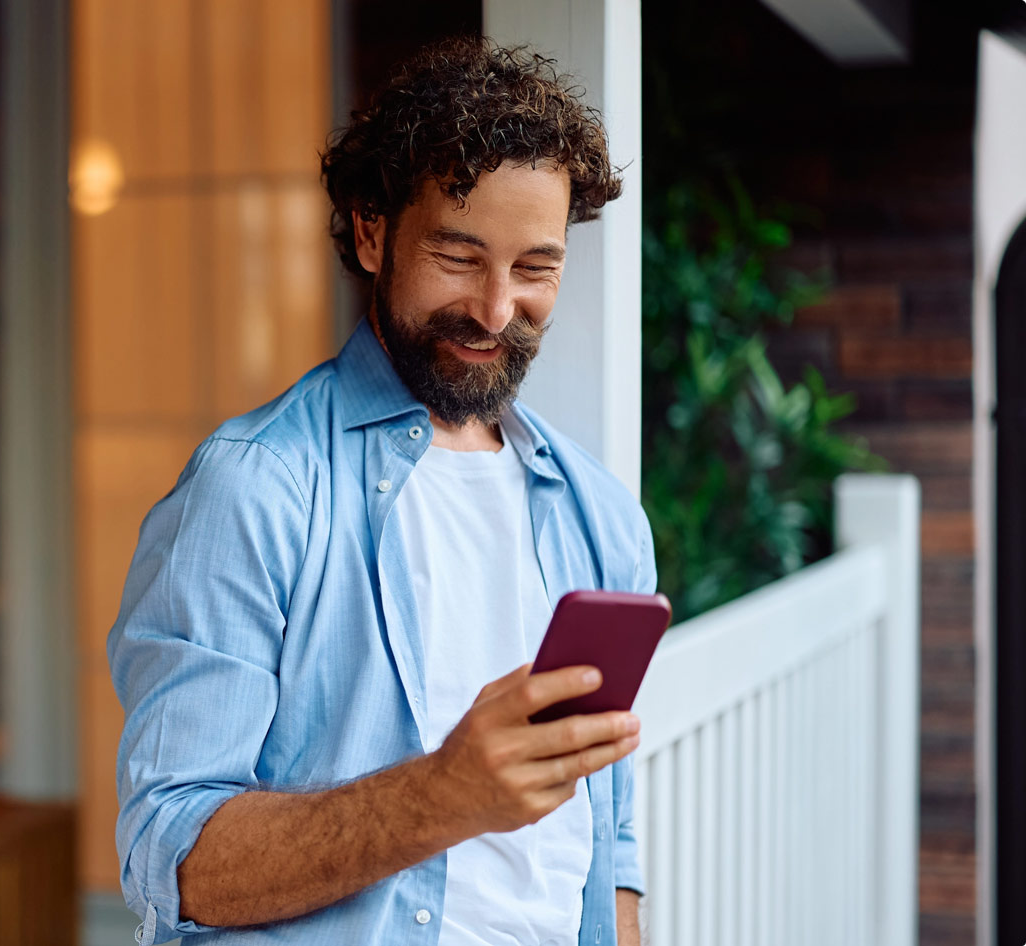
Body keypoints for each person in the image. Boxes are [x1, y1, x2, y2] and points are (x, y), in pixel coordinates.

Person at [107, 36, 651, 946]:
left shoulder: (602, 517)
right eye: (458, 256)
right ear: (371, 232)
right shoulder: (255, 488)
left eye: (534, 268)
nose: (496, 309)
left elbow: (609, 837)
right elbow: (175, 858)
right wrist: (440, 796)